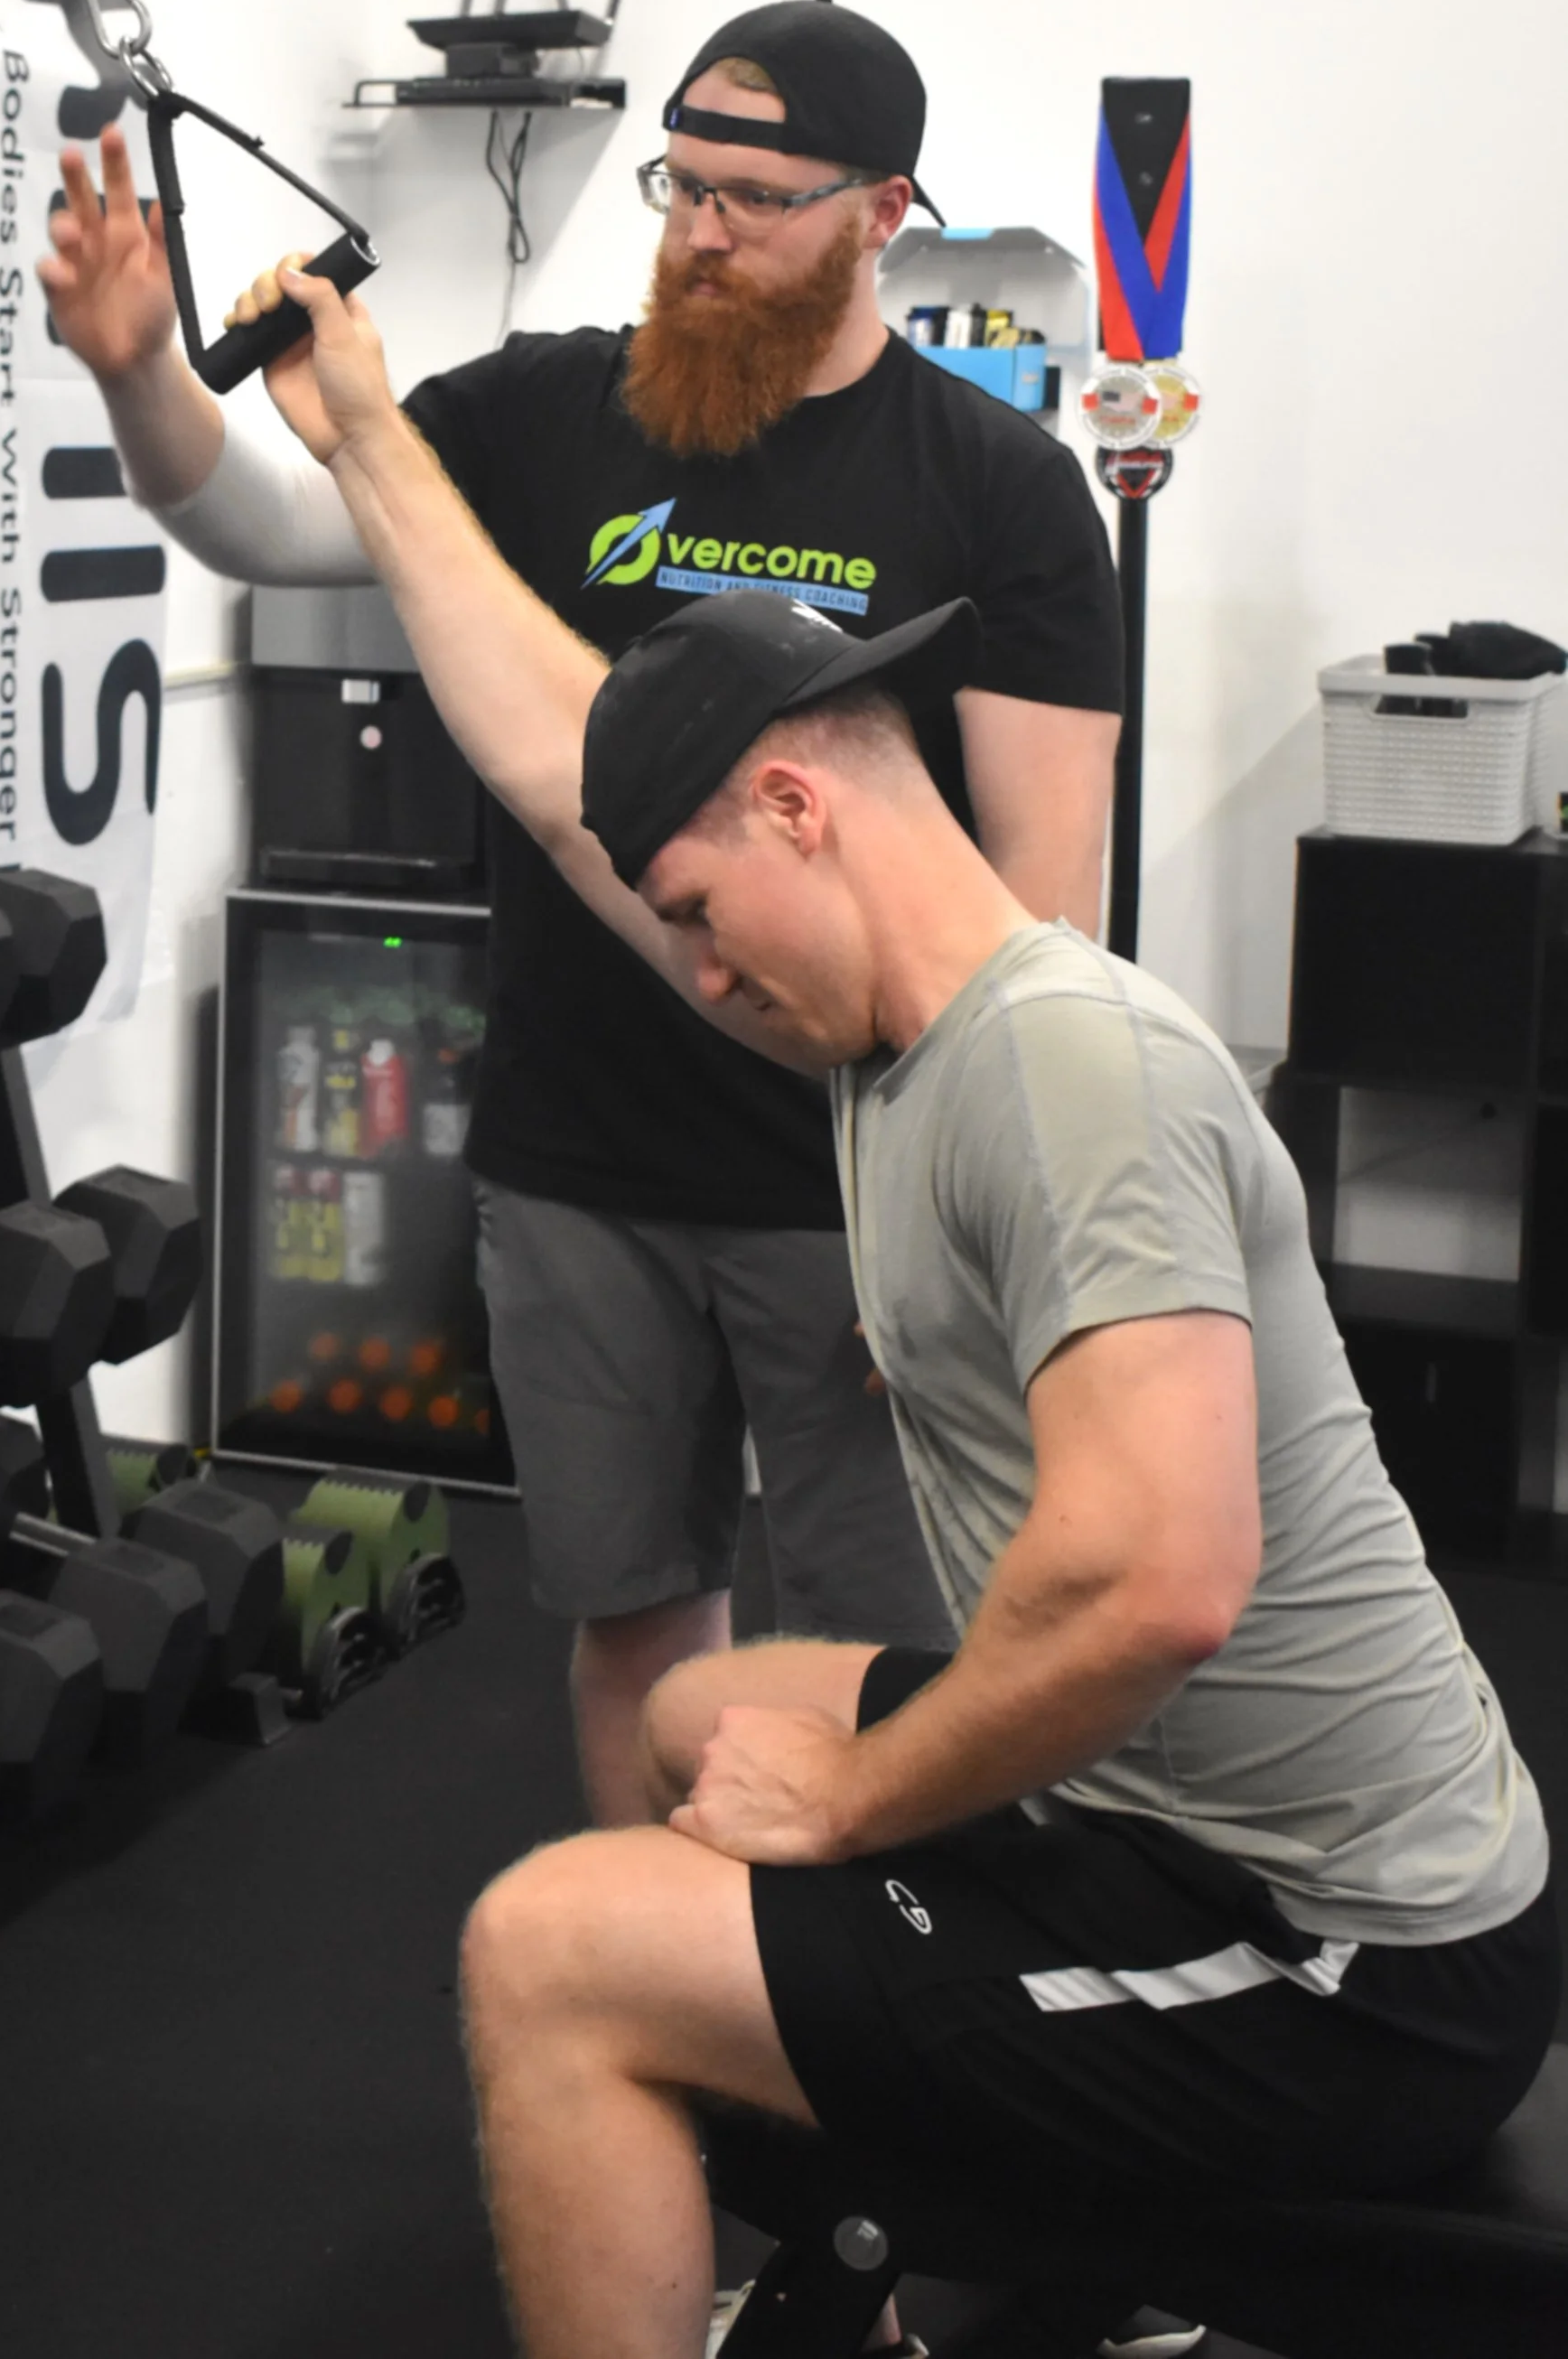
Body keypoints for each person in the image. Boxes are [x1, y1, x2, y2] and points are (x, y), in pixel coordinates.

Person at [234, 259, 1557, 2359]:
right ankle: (911, 2160)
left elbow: (1156, 1590)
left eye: (690, 919)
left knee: (547, 1948)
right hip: (1165, 1819)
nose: (692, 974)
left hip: (1334, 1959)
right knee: (688, 1713)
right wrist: (375, 444)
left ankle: (936, 2166)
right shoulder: (893, 1042)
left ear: (791, 803)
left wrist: (857, 1807)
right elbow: (542, 747)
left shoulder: (1061, 1068)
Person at [37, 0, 1125, 1821]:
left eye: (754, 199)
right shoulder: (550, 411)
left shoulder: (993, 486)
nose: (698, 232)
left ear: (883, 212)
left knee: (881, 1649)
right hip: (577, 1158)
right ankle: (658, 1979)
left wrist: (963, 1224)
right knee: (632, 1617)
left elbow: (1043, 913)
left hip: (843, 1186)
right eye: (678, 184)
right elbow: (279, 526)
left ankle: (865, 2024)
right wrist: (138, 370)